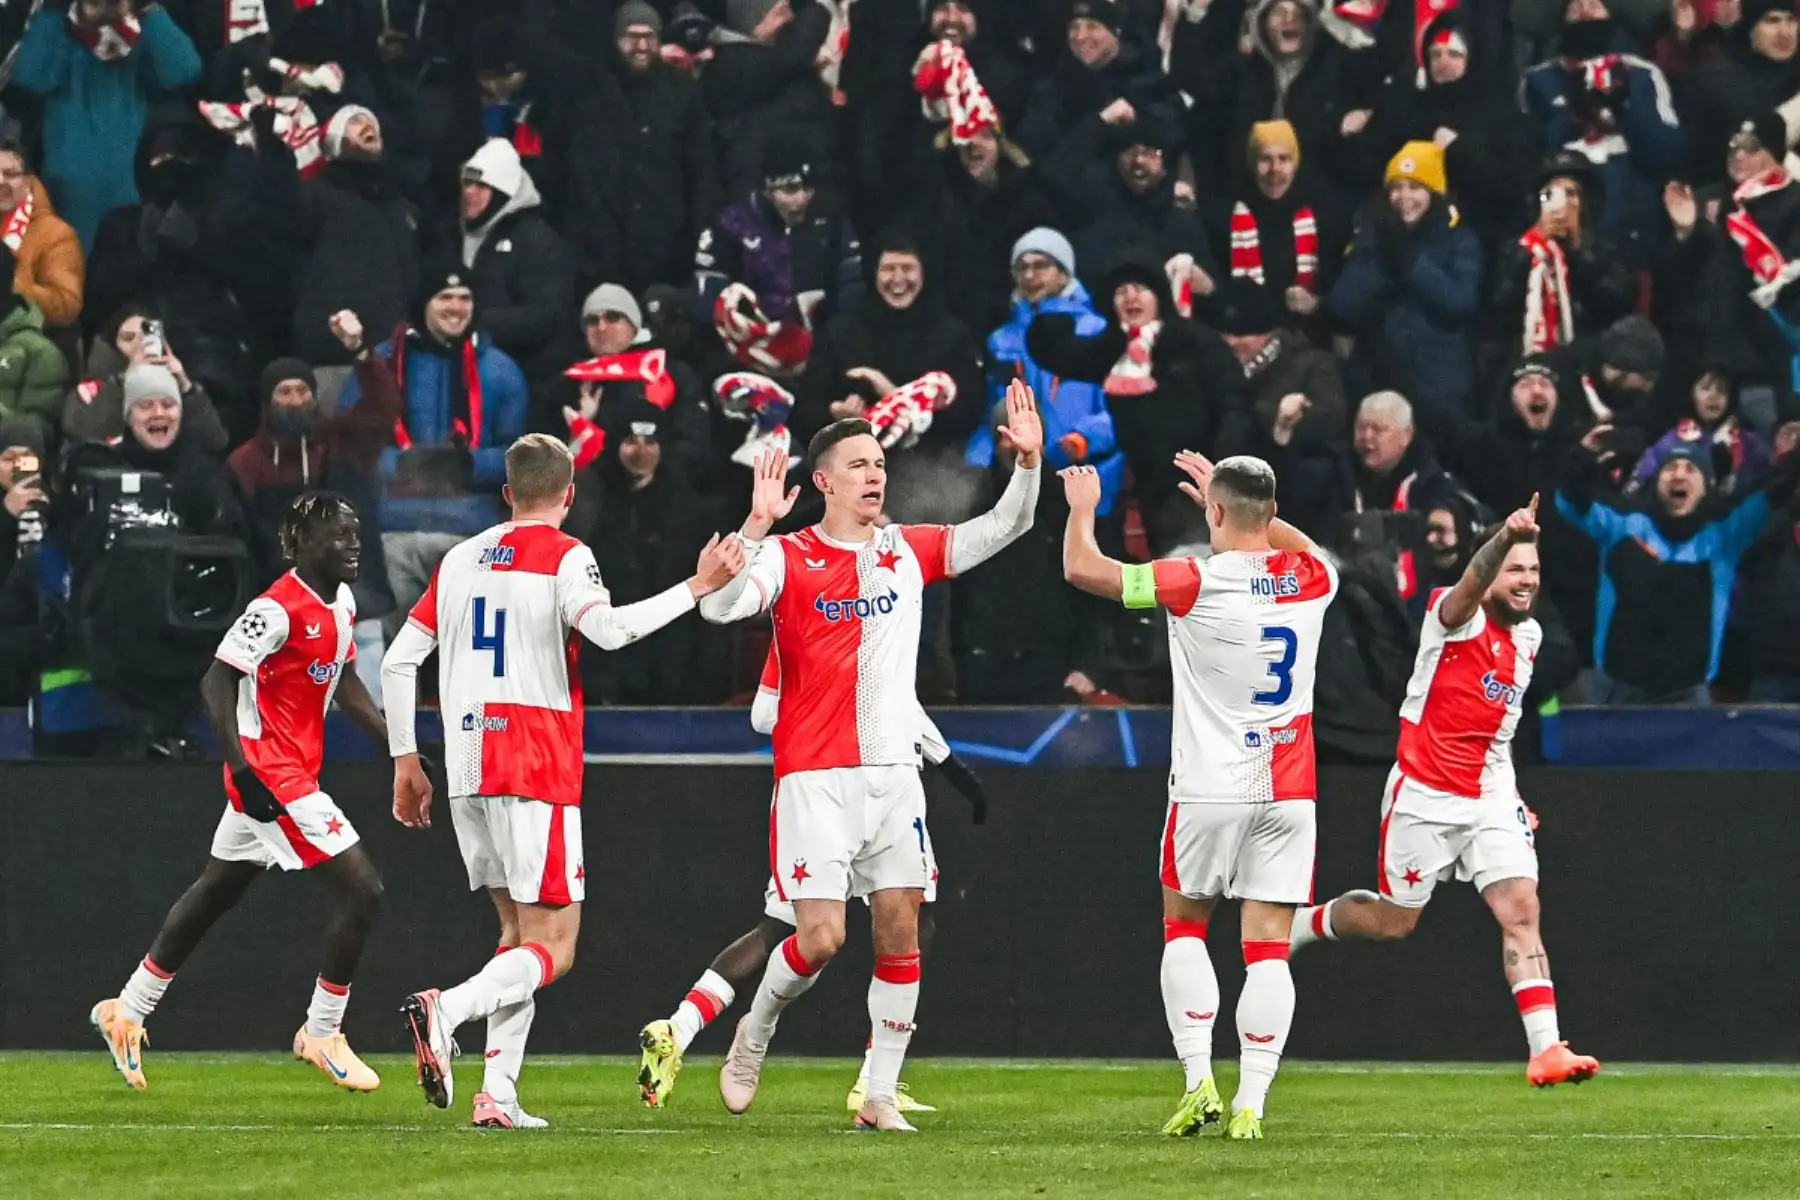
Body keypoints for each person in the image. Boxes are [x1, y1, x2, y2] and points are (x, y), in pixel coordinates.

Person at [695, 383, 1043, 1133]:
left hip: (893, 780)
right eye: (857, 464)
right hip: (814, 780)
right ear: (822, 482)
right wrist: (755, 526)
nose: (874, 473)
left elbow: (1006, 527)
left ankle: (878, 1093)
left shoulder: (905, 551)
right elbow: (718, 607)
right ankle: (753, 1035)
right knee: (820, 938)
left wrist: (1028, 463)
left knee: (900, 929)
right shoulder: (788, 557)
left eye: (879, 461)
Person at [384, 434, 742, 1130]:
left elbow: (398, 663)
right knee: (555, 945)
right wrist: (696, 588)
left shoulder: (458, 559)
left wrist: (405, 760)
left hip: (464, 761)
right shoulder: (566, 554)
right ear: (569, 495)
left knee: (518, 932)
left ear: (507, 494)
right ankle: (447, 1009)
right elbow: (607, 631)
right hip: (533, 757)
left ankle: (498, 1094)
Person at [1060, 449, 1338, 1140]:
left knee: (1185, 928)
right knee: (1268, 947)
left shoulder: (1195, 580)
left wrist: (1082, 510)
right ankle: (1254, 1104)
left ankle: (1198, 1082)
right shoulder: (1313, 578)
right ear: (1271, 512)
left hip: (1212, 785)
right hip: (1289, 789)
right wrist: (1238, 499)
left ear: (1212, 512)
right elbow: (1296, 541)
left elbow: (1082, 569)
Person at [1291, 496, 1604, 1088]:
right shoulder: (1452, 615)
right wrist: (1500, 540)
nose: (1526, 581)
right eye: (1515, 568)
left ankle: (1546, 1049)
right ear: (1491, 572)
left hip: (1488, 794)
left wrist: (1510, 804)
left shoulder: (1530, 639)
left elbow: (1499, 729)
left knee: (1521, 910)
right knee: (1394, 921)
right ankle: (1302, 926)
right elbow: (1467, 584)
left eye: (1533, 571)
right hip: (1425, 795)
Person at [88, 493, 389, 1092]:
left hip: (292, 768)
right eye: (338, 535)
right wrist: (243, 769)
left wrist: (395, 741)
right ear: (301, 545)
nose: (353, 545)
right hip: (271, 773)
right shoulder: (275, 608)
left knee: (215, 891)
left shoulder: (343, 602)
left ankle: (128, 1009)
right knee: (364, 890)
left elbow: (344, 677)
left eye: (356, 533)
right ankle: (322, 1031)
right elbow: (216, 678)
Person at [636, 646, 988, 1112]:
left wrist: (948, 764)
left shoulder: (880, 608)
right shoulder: (803, 616)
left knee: (906, 921)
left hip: (882, 786)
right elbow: (764, 713)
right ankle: (745, 1035)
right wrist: (825, 711)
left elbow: (896, 698)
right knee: (807, 935)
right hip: (823, 787)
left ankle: (873, 1079)